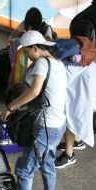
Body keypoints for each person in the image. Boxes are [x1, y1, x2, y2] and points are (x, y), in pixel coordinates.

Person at [1, 30, 67, 190]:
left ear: (35, 48)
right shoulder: (58, 62)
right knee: (47, 165)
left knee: (24, 171)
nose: (27, 56)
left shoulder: (42, 63)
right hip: (59, 125)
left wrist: (11, 106)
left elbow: (34, 91)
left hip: (46, 128)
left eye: (27, 51)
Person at [55, 17, 96, 169]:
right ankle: (77, 141)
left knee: (70, 116)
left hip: (75, 97)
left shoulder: (66, 55)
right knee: (76, 115)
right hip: (85, 96)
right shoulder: (90, 54)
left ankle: (69, 154)